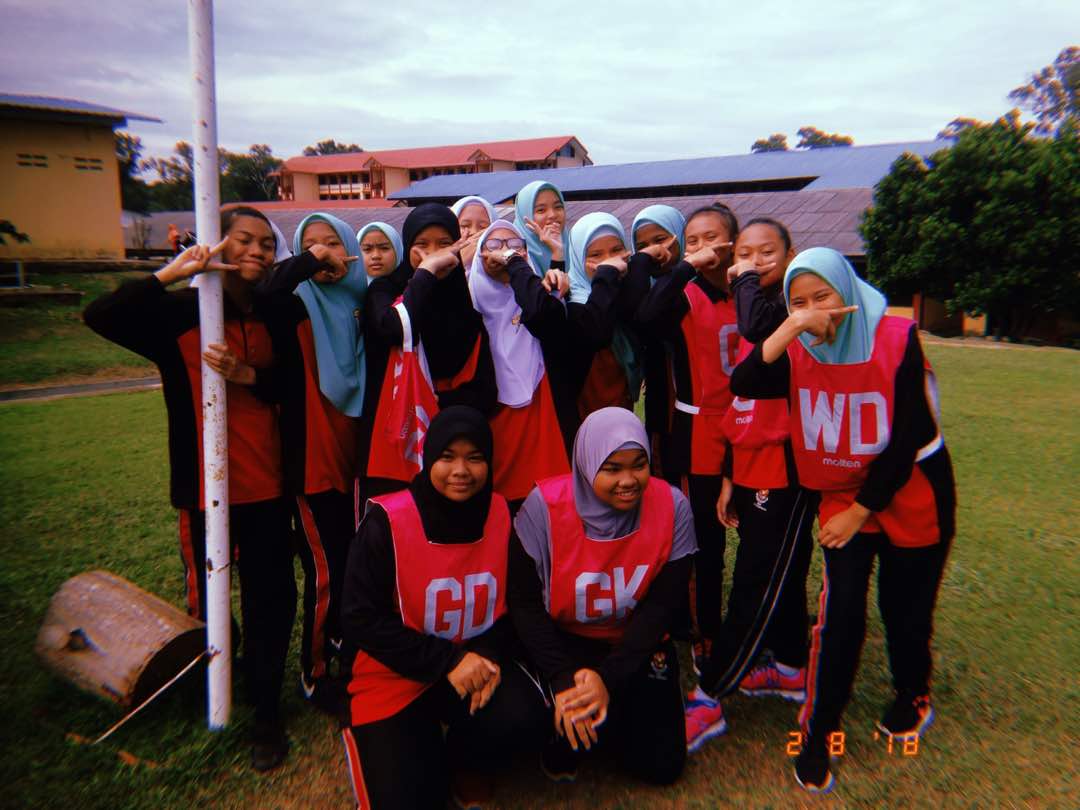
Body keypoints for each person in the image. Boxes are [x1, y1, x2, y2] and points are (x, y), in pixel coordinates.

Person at [729, 247, 956, 793]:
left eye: (823, 297)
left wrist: (862, 511)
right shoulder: (797, 344)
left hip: (911, 487)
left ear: (848, 293)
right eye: (798, 301)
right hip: (840, 491)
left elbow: (906, 435)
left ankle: (912, 692)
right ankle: (819, 729)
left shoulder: (896, 337)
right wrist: (791, 327)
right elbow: (745, 381)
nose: (814, 311)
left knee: (905, 608)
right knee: (841, 614)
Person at [83, 207, 296, 771]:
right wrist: (168, 275)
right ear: (215, 243)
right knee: (210, 603)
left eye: (266, 243)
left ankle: (266, 711)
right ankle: (218, 682)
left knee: (273, 600)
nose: (257, 251)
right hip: (205, 491)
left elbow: (292, 384)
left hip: (268, 487)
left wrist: (250, 376)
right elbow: (99, 315)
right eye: (243, 240)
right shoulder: (179, 314)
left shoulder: (273, 311)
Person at [340, 407, 547, 809]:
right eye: (447, 457)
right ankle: (415, 743)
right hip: (395, 672)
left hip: (474, 661)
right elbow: (359, 618)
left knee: (525, 717)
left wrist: (486, 653)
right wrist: (447, 660)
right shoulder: (386, 522)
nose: (461, 471)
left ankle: (465, 758)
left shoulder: (502, 514)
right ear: (428, 457)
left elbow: (517, 605)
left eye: (475, 457)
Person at [683, 217, 817, 752]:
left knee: (755, 580)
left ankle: (710, 694)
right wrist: (730, 476)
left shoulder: (784, 310)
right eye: (744, 253)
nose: (753, 262)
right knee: (780, 572)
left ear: (790, 255)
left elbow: (758, 341)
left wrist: (742, 279)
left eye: (766, 253)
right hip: (753, 463)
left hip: (786, 470)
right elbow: (743, 399)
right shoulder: (759, 306)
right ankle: (790, 667)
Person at [509, 407, 697, 786]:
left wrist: (607, 679)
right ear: (587, 463)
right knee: (551, 735)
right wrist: (563, 678)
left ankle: (607, 719)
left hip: (634, 641)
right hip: (565, 641)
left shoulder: (673, 505)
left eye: (639, 465)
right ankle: (567, 722)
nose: (628, 480)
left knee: (661, 765)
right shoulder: (543, 508)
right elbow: (524, 604)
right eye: (612, 469)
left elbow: (662, 606)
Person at [255, 212, 365, 714]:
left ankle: (345, 645)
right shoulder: (294, 304)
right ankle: (314, 671)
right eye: (310, 245)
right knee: (327, 569)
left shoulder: (363, 301)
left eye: (332, 243)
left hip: (357, 458)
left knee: (356, 564)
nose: (322, 253)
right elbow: (266, 290)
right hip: (314, 460)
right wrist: (308, 262)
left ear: (351, 249)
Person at [634, 203, 739, 664]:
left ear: (733, 242)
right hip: (698, 433)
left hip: (753, 429)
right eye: (691, 240)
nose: (701, 248)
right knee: (704, 542)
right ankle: (702, 632)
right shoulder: (683, 293)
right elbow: (646, 317)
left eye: (711, 238)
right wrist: (685, 267)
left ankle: (762, 627)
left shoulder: (750, 290)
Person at [360, 205, 498, 501]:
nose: (433, 253)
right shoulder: (384, 290)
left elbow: (485, 391)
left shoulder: (465, 306)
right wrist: (425, 274)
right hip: (394, 441)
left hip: (451, 450)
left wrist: (438, 404)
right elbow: (393, 328)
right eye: (422, 244)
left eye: (444, 244)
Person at [468, 220, 570, 509]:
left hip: (538, 409)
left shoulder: (537, 294)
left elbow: (542, 314)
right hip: (492, 414)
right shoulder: (469, 300)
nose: (504, 251)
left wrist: (515, 264)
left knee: (547, 500)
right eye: (494, 245)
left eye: (514, 245)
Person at [566, 212, 648, 421]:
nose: (609, 261)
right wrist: (607, 275)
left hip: (622, 408)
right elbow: (597, 333)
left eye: (616, 250)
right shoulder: (573, 305)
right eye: (596, 254)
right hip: (588, 414)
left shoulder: (627, 293)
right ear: (578, 258)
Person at [630, 204, 686, 483]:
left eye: (660, 239)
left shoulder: (697, 285)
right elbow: (643, 319)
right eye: (642, 246)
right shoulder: (642, 287)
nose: (653, 250)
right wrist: (640, 262)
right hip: (661, 400)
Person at [513, 180, 569, 275]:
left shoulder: (574, 247)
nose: (552, 215)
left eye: (558, 207)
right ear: (525, 215)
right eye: (541, 210)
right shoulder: (518, 257)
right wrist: (557, 253)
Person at [451, 195, 497, 268]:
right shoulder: (438, 265)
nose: (474, 232)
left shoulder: (502, 266)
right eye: (465, 225)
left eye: (483, 227)